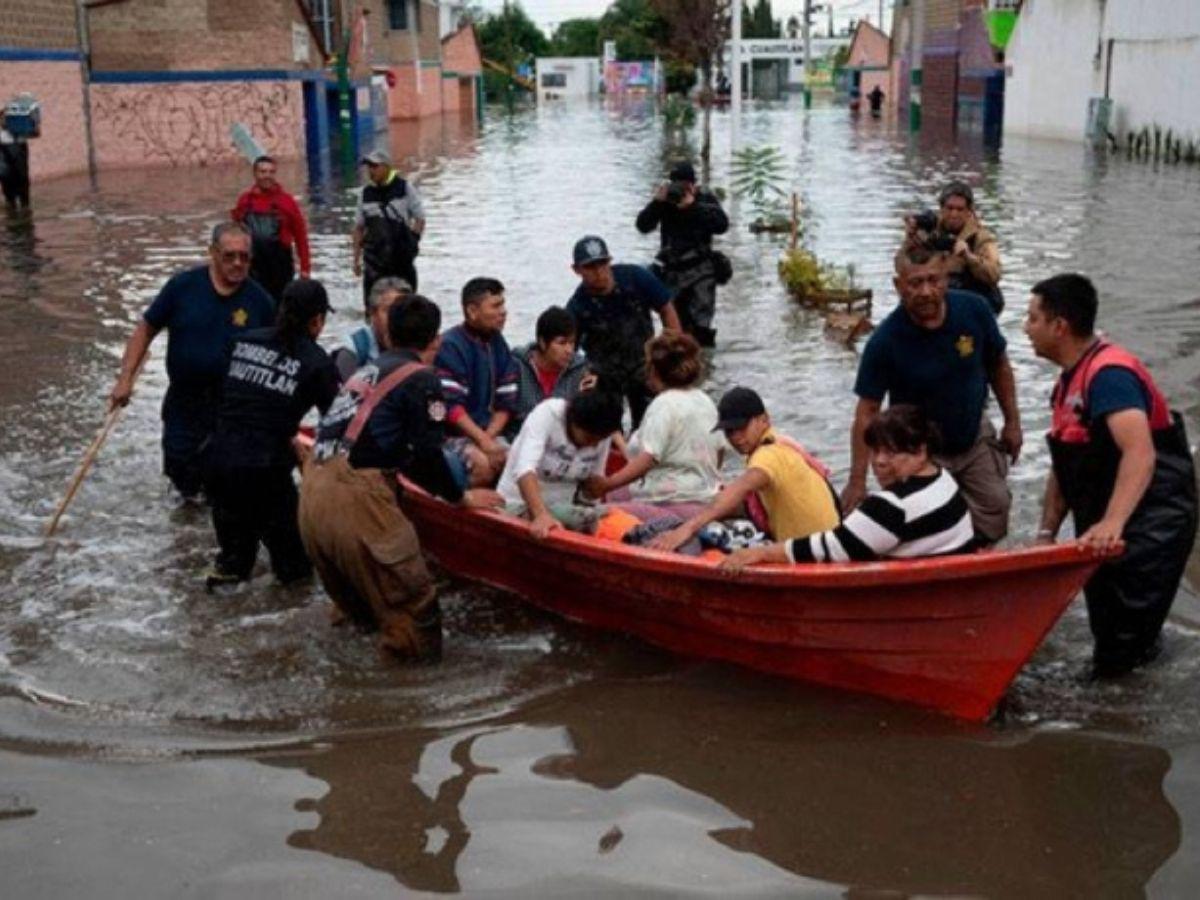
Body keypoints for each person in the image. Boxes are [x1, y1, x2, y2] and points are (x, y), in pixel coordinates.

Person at [299, 296, 501, 661]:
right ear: (436, 340)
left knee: (358, 617)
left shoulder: (369, 370)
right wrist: (460, 497)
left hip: (313, 495)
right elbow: (428, 454)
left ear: (389, 333)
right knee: (415, 617)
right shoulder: (422, 379)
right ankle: (408, 714)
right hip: (356, 499)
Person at [1025, 273, 1198, 677]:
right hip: (1110, 523)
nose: (1026, 327)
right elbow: (1063, 462)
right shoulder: (1069, 381)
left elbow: (1140, 454)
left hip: (1151, 524)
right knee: (1109, 632)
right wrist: (1046, 534)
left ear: (1059, 326)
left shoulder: (1110, 376)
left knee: (1121, 654)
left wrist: (1113, 522)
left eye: (1032, 318)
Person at [844, 245, 1020, 544]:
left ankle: (980, 565)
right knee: (921, 524)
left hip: (973, 435)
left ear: (947, 278)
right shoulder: (885, 341)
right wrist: (857, 480)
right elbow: (868, 410)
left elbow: (999, 365)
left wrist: (1012, 422)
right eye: (915, 283)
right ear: (898, 286)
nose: (926, 291)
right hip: (919, 449)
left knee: (996, 506)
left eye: (934, 280)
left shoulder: (975, 310)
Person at [108, 222, 276, 500]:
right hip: (184, 407)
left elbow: (276, 358)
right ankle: (186, 539)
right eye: (229, 256)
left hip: (232, 413)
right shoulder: (182, 287)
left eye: (244, 257)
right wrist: (125, 379)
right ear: (212, 253)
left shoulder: (261, 302)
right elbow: (145, 329)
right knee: (182, 486)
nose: (237, 263)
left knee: (224, 492)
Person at [721, 405, 977, 572]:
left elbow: (828, 547)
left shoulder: (891, 506)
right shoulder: (944, 479)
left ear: (921, 451)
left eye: (891, 452)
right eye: (875, 451)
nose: (878, 461)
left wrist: (758, 553)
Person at [202, 279, 339, 589]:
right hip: (265, 472)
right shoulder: (317, 362)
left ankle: (212, 625)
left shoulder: (242, 342)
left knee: (232, 566)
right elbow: (338, 424)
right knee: (295, 572)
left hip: (218, 461)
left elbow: (221, 397)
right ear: (317, 321)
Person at [649, 386, 841, 553]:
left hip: (810, 555)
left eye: (742, 428)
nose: (736, 438)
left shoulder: (768, 455)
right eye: (730, 431)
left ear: (764, 420)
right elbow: (742, 499)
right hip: (826, 542)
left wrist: (685, 530)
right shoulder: (783, 444)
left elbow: (741, 488)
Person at [582, 331, 723, 509]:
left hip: (669, 499)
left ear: (654, 371)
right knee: (617, 494)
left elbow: (647, 459)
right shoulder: (706, 401)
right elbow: (719, 451)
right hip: (706, 494)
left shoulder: (663, 405)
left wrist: (607, 484)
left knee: (600, 511)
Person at [566, 234, 681, 429]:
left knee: (652, 425)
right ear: (577, 270)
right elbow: (569, 354)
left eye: (603, 264)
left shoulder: (635, 278)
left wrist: (673, 350)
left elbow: (666, 308)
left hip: (643, 365)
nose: (599, 272)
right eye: (591, 267)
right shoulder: (577, 307)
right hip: (605, 376)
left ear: (610, 261)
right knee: (607, 431)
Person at [497, 388, 625, 539]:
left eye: (599, 441)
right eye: (589, 439)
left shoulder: (602, 436)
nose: (593, 446)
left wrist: (598, 489)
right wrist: (541, 515)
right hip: (520, 504)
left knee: (616, 518)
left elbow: (592, 488)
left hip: (566, 508)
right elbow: (525, 469)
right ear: (573, 421)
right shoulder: (548, 414)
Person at [635, 161, 729, 347]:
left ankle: (704, 367)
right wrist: (656, 203)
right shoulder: (665, 202)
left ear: (693, 185)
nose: (679, 190)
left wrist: (692, 206)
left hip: (701, 270)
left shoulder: (704, 198)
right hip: (673, 272)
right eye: (675, 185)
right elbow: (642, 226)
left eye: (684, 185)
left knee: (701, 328)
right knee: (675, 329)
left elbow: (722, 225)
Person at [435, 277, 519, 482]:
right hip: (452, 436)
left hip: (488, 432)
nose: (503, 312)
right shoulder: (450, 345)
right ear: (472, 311)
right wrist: (483, 441)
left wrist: (489, 438)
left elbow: (506, 401)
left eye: (503, 305)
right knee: (482, 466)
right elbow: (451, 407)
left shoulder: (498, 343)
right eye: (496, 306)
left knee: (519, 464)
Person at [903, 181, 1003, 314]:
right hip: (936, 299)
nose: (954, 214)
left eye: (960, 209)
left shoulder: (981, 237)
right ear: (942, 209)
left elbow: (994, 274)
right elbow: (902, 267)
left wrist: (968, 256)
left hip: (972, 302)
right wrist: (910, 242)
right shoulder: (929, 230)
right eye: (949, 208)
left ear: (969, 212)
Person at [231, 155, 311, 301]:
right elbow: (233, 235)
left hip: (281, 270)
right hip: (251, 269)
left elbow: (301, 237)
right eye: (263, 172)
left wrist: (305, 269)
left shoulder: (287, 202)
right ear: (255, 174)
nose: (267, 176)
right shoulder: (244, 201)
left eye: (271, 172)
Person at [352, 148, 425, 308]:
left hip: (401, 261)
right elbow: (358, 228)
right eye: (368, 167)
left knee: (406, 309)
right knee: (373, 308)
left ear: (386, 167)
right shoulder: (365, 194)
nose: (371, 171)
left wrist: (413, 241)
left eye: (374, 166)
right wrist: (356, 259)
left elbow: (420, 218)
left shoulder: (405, 188)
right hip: (374, 262)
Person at [508, 305, 591, 439]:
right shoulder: (516, 365)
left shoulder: (581, 369)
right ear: (542, 342)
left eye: (572, 343)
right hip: (518, 439)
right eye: (562, 343)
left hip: (562, 446)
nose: (569, 350)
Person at [332, 276, 412, 381]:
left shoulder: (420, 346)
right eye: (388, 310)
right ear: (372, 313)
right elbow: (341, 395)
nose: (395, 317)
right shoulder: (353, 351)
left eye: (402, 310)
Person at [0, 109, 30, 210]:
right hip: (6, 161)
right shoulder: (2, 135)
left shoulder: (20, 133)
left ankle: (23, 203)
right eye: (3, 118)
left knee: (22, 179)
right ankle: (11, 203)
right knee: (7, 181)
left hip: (18, 157)